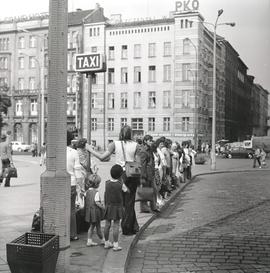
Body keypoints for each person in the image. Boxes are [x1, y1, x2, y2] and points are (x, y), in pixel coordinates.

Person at [86, 125, 140, 235]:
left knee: (120, 202)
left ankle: (126, 227)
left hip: (120, 174)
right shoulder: (136, 145)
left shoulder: (114, 144)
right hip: (133, 175)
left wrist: (90, 150)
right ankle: (131, 227)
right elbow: (137, 161)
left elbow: (102, 157)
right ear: (131, 134)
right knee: (130, 202)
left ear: (121, 133)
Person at [103, 164, 125, 251]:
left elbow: (105, 195)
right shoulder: (120, 184)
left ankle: (106, 242)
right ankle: (115, 244)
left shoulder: (107, 183)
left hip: (108, 206)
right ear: (120, 175)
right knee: (116, 225)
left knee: (107, 225)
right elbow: (127, 191)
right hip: (117, 207)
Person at [66, 131, 83, 241]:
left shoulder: (55, 151)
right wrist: (80, 187)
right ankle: (72, 234)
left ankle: (60, 233)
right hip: (71, 183)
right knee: (71, 210)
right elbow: (78, 171)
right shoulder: (73, 152)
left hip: (58, 184)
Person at [139, 135, 160, 213]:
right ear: (145, 141)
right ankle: (144, 207)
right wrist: (143, 177)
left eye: (151, 140)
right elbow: (143, 165)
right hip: (147, 175)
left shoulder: (150, 150)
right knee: (145, 191)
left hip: (151, 174)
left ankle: (153, 206)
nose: (151, 142)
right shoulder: (143, 151)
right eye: (150, 140)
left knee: (153, 190)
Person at [84, 173, 105, 247]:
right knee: (98, 226)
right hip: (95, 212)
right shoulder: (96, 193)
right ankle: (103, 240)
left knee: (91, 226)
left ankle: (89, 240)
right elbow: (97, 202)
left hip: (89, 212)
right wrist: (103, 207)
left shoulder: (87, 192)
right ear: (97, 184)